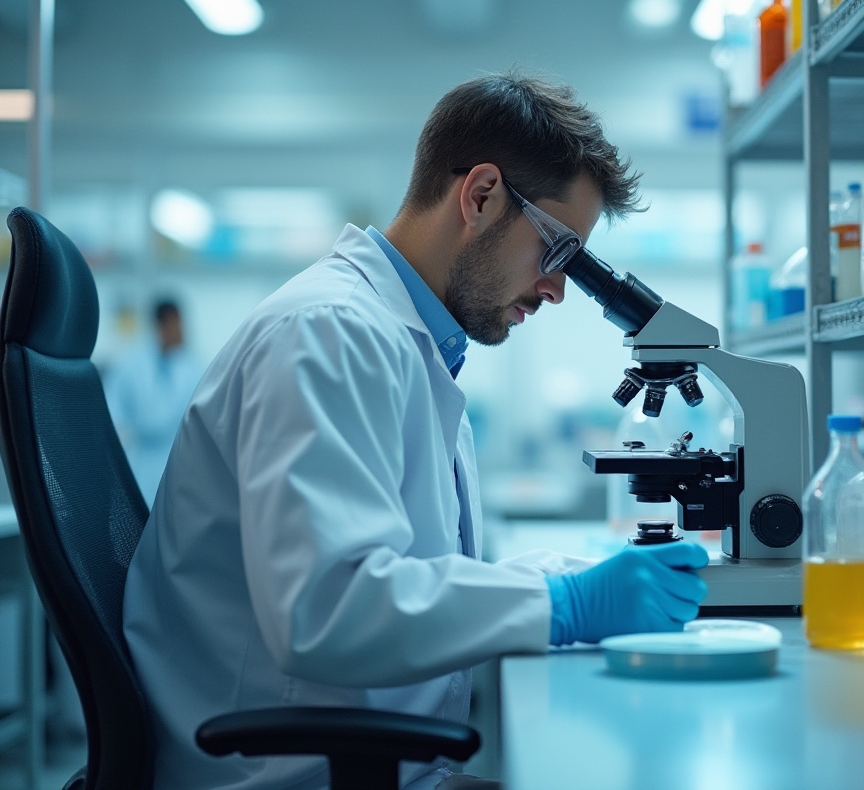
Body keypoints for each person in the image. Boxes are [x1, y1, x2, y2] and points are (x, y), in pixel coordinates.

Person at [123, 72, 710, 790]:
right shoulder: (327, 334)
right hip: (283, 774)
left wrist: (558, 579)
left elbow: (401, 573)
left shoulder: (407, 344)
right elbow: (328, 609)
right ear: (481, 194)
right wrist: (566, 607)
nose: (559, 288)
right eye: (558, 253)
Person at [104, 298, 205, 505]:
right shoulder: (129, 365)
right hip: (141, 461)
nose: (181, 330)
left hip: (180, 459)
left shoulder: (195, 367)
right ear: (162, 325)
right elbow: (112, 413)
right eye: (175, 324)